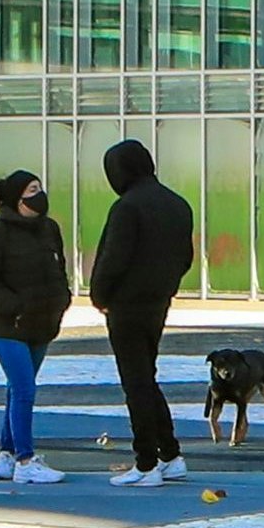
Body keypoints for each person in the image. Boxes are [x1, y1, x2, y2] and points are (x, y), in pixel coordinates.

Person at [84, 139, 193, 488]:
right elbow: (185, 257)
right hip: (158, 302)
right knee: (147, 377)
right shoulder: (178, 204)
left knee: (136, 383)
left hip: (127, 305)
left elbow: (113, 259)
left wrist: (100, 296)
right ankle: (170, 454)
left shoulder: (127, 208)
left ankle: (146, 462)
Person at [0, 171, 72, 485]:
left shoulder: (50, 229)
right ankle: (26, 459)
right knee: (25, 389)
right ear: (16, 197)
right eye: (32, 190)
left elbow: (59, 269)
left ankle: (7, 454)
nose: (39, 195)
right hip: (8, 326)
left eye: (40, 188)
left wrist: (61, 300)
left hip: (42, 324)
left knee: (17, 389)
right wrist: (13, 305)